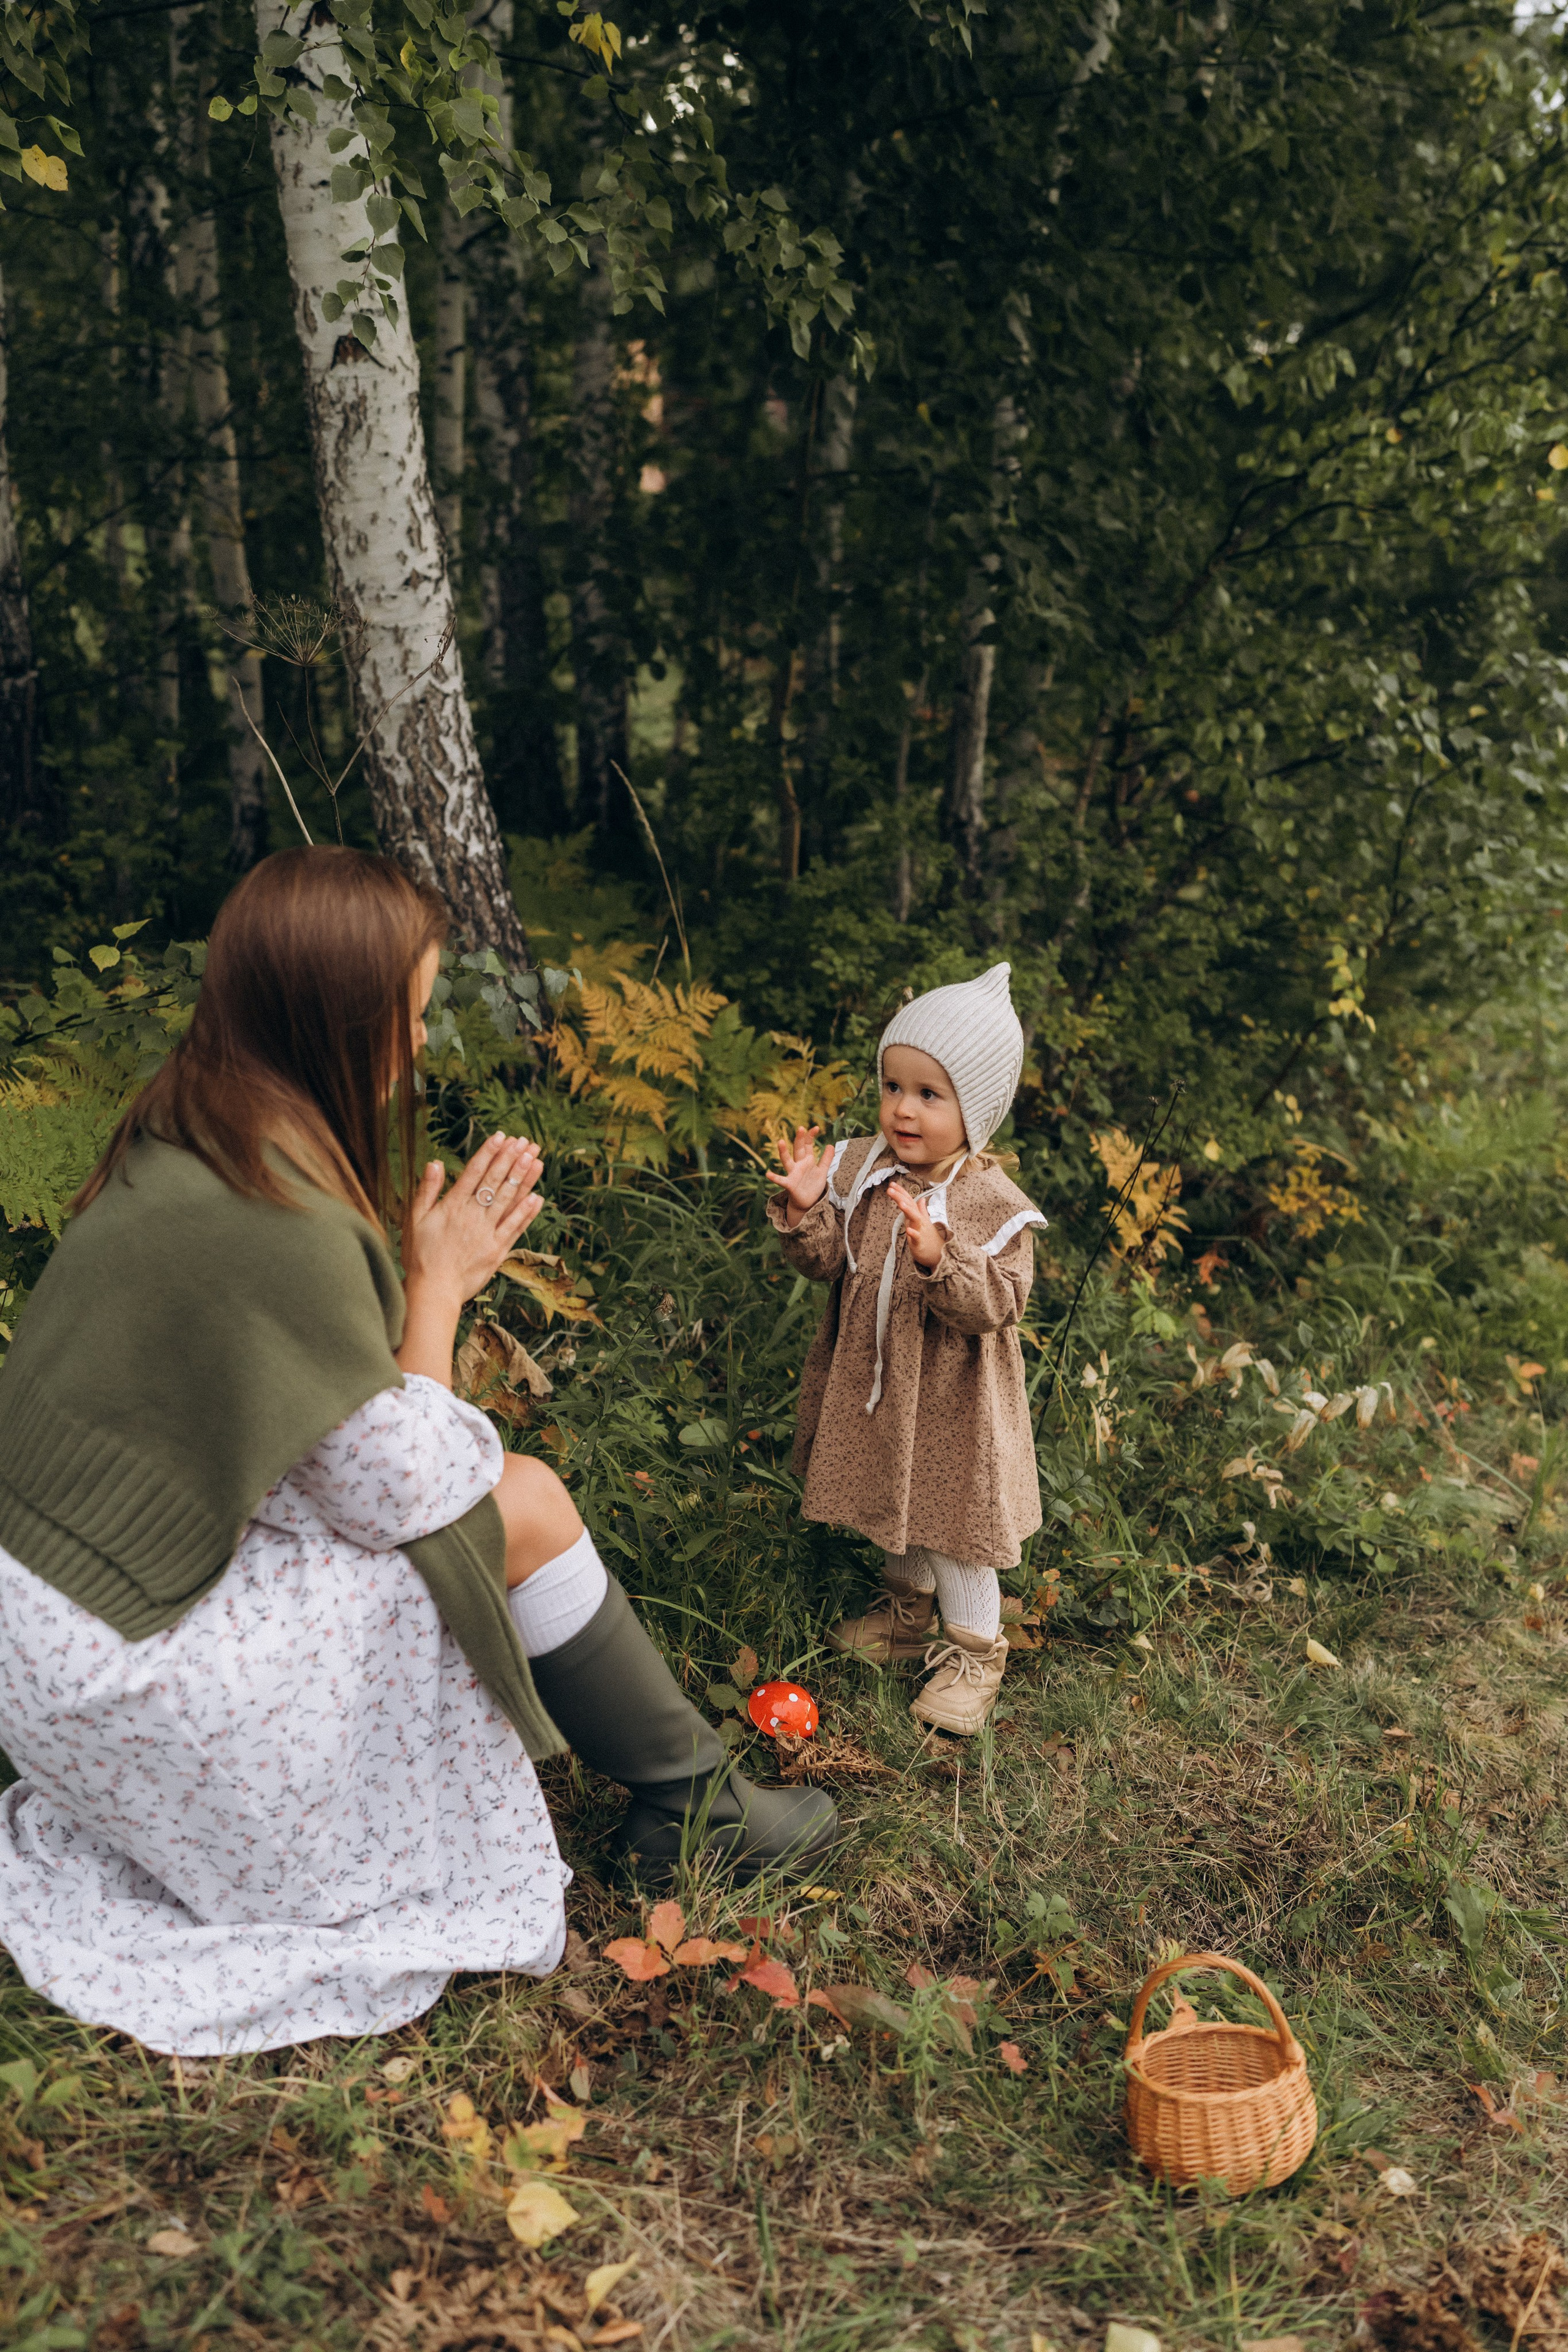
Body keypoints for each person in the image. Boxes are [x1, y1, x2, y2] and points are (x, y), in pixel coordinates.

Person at [0, 848, 832, 2058]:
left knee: (490, 1502)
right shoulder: (271, 1212)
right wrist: (437, 1286)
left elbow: (283, 1437)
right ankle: (689, 1807)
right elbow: (402, 1492)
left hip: (48, 1651)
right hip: (133, 1682)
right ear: (335, 1021)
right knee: (527, 1501)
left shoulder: (187, 1127)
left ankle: (686, 1793)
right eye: (413, 1014)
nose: (423, 1044)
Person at [766, 963, 1046, 1738]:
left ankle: (974, 1651)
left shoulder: (991, 1202)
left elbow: (1000, 1303)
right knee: (894, 1495)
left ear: (978, 1108)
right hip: (878, 1381)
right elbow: (829, 1263)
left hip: (955, 1396)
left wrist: (938, 1259)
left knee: (951, 1518)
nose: (903, 1108)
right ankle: (905, 1614)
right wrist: (807, 1206)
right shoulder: (863, 1169)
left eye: (930, 1094)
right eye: (893, 1086)